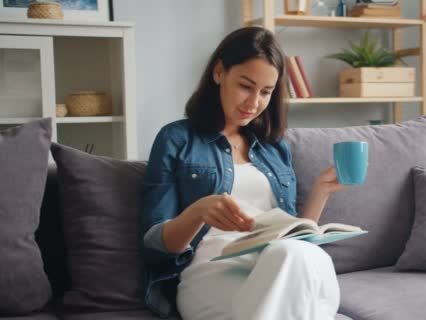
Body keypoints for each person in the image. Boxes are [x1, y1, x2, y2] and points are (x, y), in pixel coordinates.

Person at [140, 26, 348, 320]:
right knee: (298, 259)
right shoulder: (177, 139)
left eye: (265, 92)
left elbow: (292, 235)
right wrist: (199, 211)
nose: (254, 103)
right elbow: (155, 245)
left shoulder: (274, 148)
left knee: (301, 254)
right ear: (219, 73)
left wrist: (320, 193)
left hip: (276, 267)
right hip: (211, 274)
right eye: (245, 86)